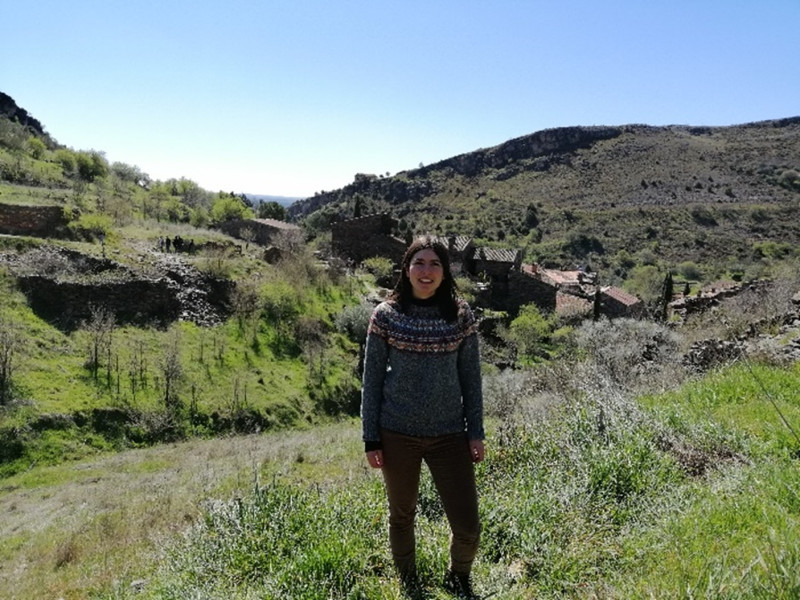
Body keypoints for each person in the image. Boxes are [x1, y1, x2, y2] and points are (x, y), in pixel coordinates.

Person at [361, 236, 485, 599]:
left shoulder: (460, 316)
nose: (426, 271)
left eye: (434, 264)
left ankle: (458, 579)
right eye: (419, 263)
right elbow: (371, 380)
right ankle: (409, 582)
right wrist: (371, 438)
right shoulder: (386, 315)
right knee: (401, 515)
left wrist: (475, 432)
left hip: (450, 435)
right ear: (406, 268)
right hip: (396, 433)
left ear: (445, 272)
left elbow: (471, 379)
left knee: (468, 527)